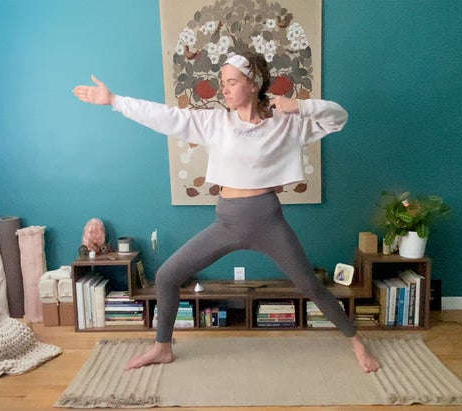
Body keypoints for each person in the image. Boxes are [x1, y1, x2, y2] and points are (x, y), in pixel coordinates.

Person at [73, 51, 380, 373]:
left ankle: (356, 339)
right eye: (223, 83)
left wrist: (300, 106)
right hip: (227, 220)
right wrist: (115, 100)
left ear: (254, 83)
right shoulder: (215, 123)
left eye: (232, 82)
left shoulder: (287, 123)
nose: (225, 89)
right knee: (166, 276)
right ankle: (163, 347)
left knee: (310, 285)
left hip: (267, 219)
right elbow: (166, 116)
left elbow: (338, 117)